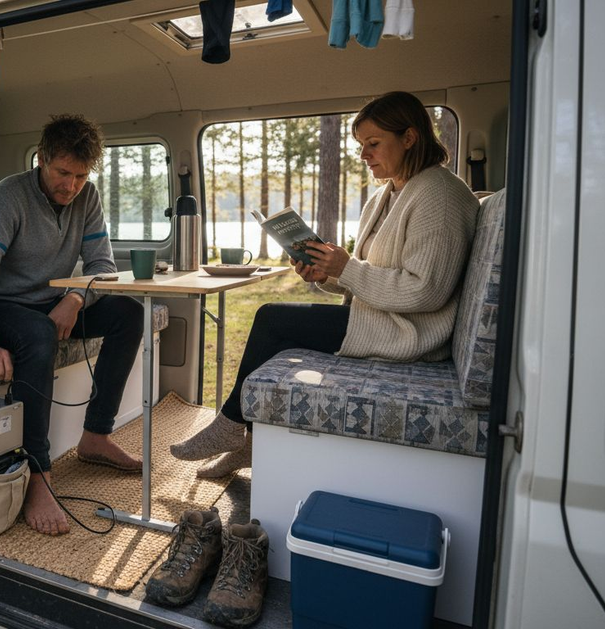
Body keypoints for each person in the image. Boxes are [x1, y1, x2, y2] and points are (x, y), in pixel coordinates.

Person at [171, 91, 479, 477]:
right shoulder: (387, 195)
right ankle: (250, 441)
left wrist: (346, 268)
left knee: (273, 319)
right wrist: (328, 274)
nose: (364, 155)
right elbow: (368, 274)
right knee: (278, 327)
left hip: (410, 335)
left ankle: (231, 425)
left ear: (410, 138)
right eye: (360, 145)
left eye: (373, 144)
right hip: (378, 319)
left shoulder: (441, 194)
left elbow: (425, 290)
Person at [0, 113, 144, 536]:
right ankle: (37, 474)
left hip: (55, 300)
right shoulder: (9, 197)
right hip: (6, 306)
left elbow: (102, 266)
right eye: (62, 173)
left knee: (129, 313)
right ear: (41, 158)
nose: (71, 186)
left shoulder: (86, 198)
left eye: (80, 175)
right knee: (38, 334)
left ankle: (95, 436)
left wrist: (75, 300)